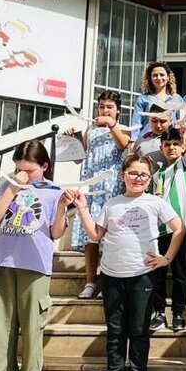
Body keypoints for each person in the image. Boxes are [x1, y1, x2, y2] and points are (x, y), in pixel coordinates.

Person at [75, 155, 185, 371]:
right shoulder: (112, 204)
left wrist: (166, 258)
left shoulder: (156, 202)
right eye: (133, 173)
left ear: (150, 178)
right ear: (122, 174)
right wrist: (81, 208)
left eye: (143, 175)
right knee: (115, 333)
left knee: (138, 332)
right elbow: (94, 235)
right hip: (112, 276)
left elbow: (179, 228)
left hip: (142, 275)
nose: (138, 178)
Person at [0, 140, 72, 371]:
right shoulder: (8, 185)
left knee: (32, 325)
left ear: (44, 166)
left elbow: (56, 233)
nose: (23, 174)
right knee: (1, 326)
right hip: (3, 262)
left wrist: (61, 208)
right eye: (19, 168)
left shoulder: (55, 191)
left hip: (35, 265)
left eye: (30, 170)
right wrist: (13, 187)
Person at [67, 91, 131, 300]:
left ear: (118, 110)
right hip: (90, 187)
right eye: (102, 106)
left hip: (111, 187)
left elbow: (123, 145)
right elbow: (79, 158)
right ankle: (90, 282)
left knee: (109, 236)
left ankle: (107, 281)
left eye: (109, 107)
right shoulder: (90, 130)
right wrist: (72, 141)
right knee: (90, 237)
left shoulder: (124, 129)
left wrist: (111, 125)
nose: (104, 110)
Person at [150, 127, 186, 332]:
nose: (172, 148)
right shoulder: (156, 174)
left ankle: (178, 313)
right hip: (160, 229)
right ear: (161, 147)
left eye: (176, 144)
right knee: (158, 271)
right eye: (167, 145)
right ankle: (159, 312)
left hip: (181, 227)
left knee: (179, 272)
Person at [130, 61, 186, 141]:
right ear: (150, 78)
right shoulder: (143, 99)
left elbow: (183, 122)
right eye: (155, 75)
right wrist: (133, 141)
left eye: (162, 75)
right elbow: (136, 123)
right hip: (147, 141)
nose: (159, 78)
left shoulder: (177, 99)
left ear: (168, 77)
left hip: (170, 141)